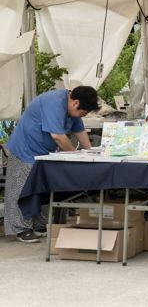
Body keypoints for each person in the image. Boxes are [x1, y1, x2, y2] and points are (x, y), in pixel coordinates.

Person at [5, 86, 100, 242]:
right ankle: (21, 228)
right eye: (83, 113)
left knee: (41, 187)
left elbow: (80, 131)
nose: (82, 116)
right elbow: (58, 137)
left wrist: (92, 153)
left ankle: (38, 224)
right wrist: (77, 156)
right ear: (75, 103)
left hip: (44, 152)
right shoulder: (53, 102)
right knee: (20, 189)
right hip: (25, 149)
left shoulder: (72, 110)